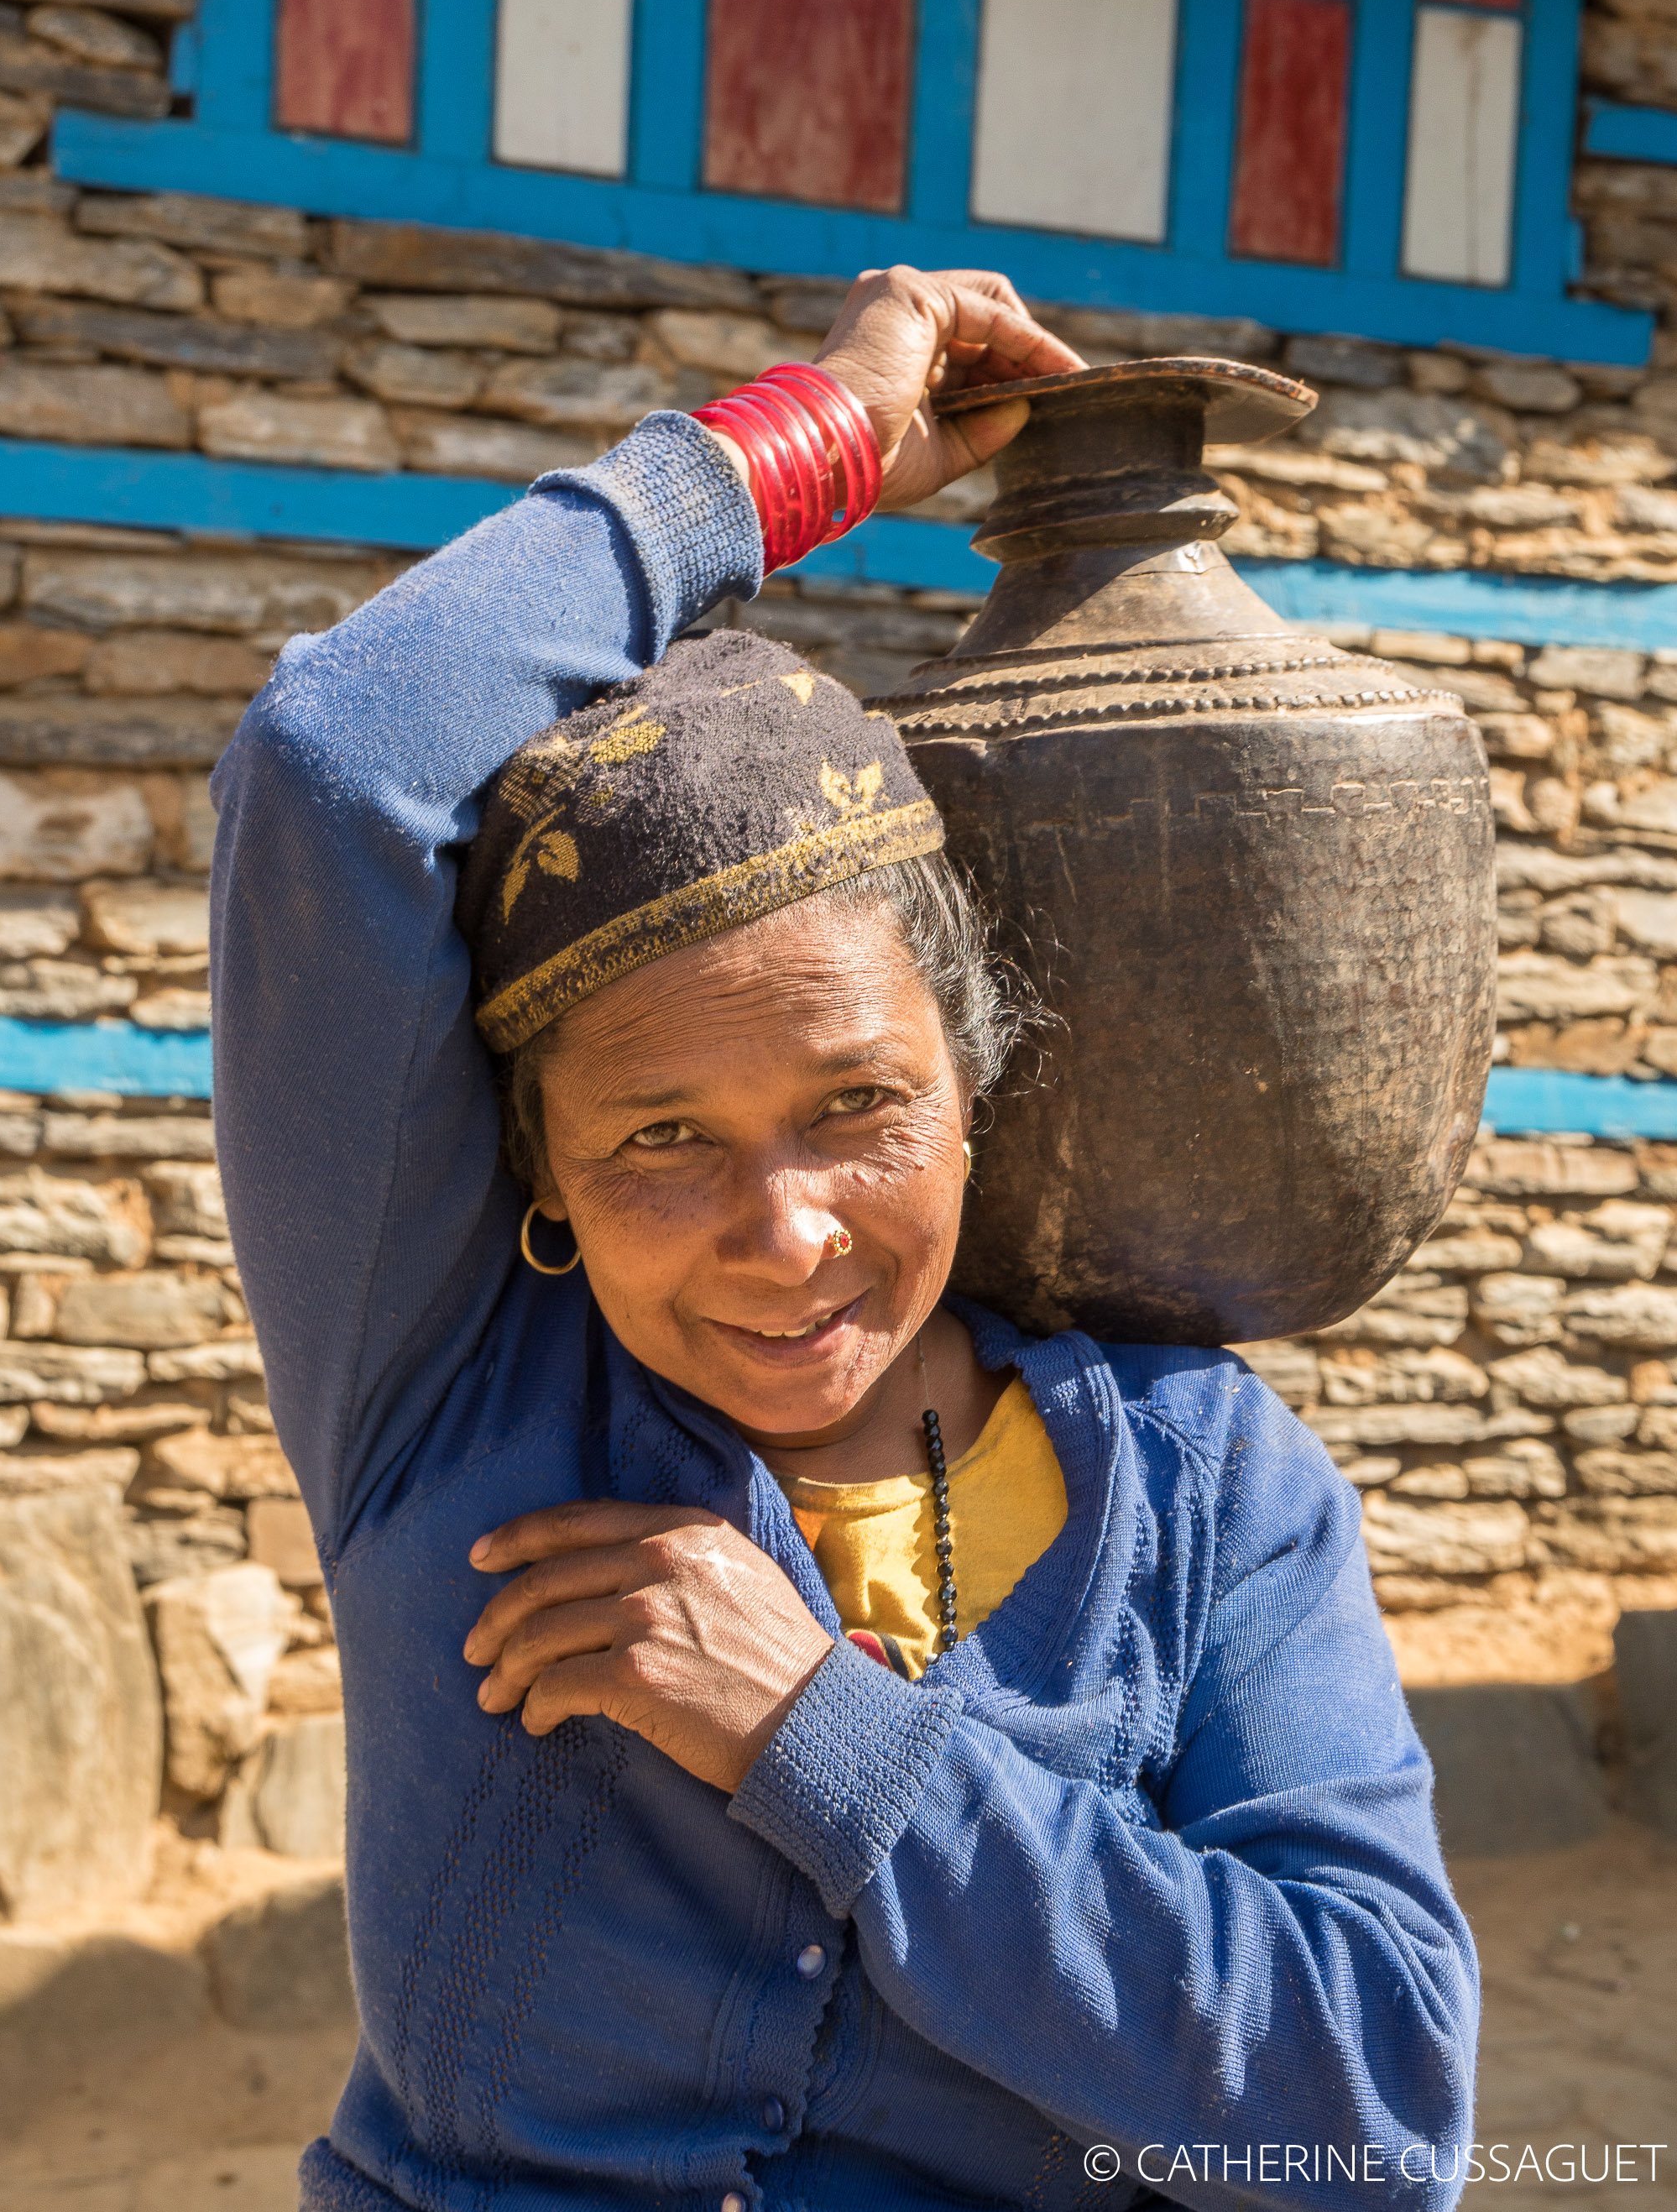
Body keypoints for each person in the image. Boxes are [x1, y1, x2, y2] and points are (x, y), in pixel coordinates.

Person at [211, 265, 1478, 2212]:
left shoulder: (1207, 1483)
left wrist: (826, 1735)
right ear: (532, 1170)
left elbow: (1375, 2119)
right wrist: (808, 444)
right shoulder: (446, 1387)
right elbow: (335, 758)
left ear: (972, 1080)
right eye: (656, 1141)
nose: (784, 1235)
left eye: (857, 1107)